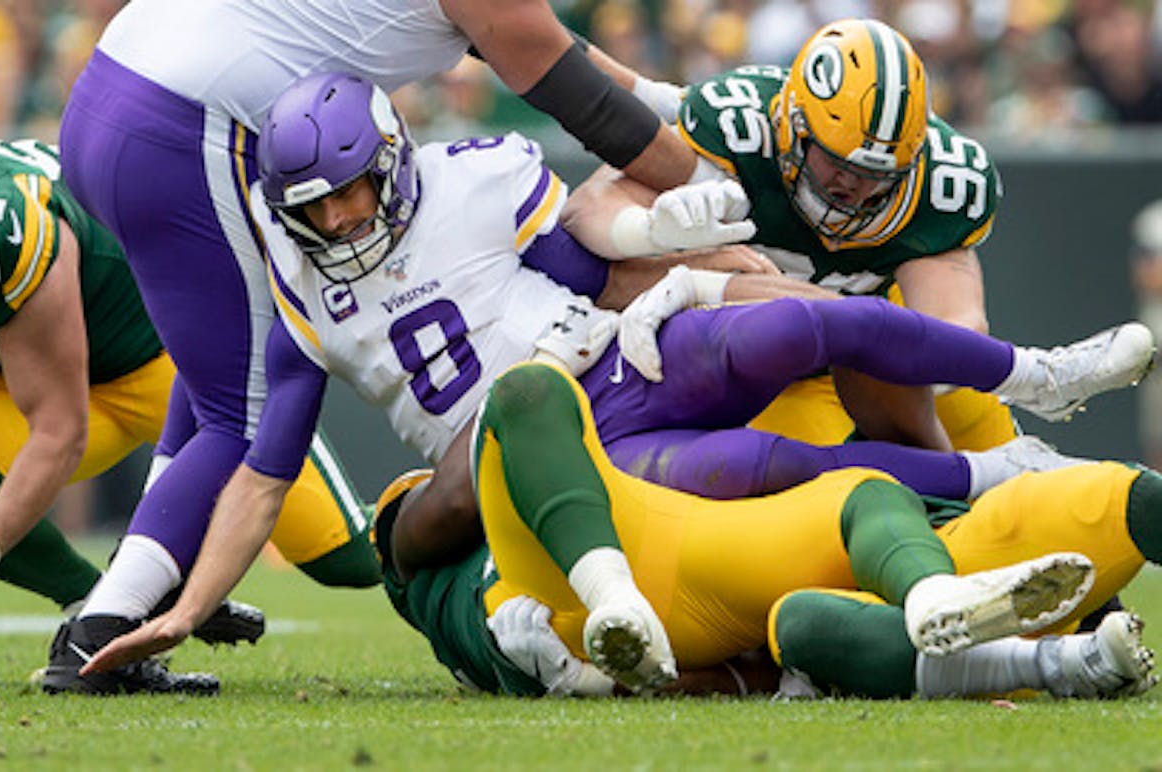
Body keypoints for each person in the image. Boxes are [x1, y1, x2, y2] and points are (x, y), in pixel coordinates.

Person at [71, 71, 1154, 688]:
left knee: (802, 322)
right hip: (562, 454)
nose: (342, 222)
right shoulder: (301, 294)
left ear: (392, 159)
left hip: (620, 359)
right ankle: (974, 505)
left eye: (353, 194)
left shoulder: (474, 181)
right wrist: (185, 606)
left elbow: (594, 251)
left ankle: (1031, 382)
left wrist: (674, 245)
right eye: (319, 208)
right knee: (770, 473)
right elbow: (263, 468)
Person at [46, 0, 703, 687]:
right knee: (241, 415)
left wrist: (666, 99)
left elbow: (531, 38)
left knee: (220, 379)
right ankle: (105, 629)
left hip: (118, 96)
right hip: (188, 120)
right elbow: (570, 88)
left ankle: (144, 585)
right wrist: (705, 176)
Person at [0, 82, 378, 690]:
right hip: (21, 369)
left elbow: (59, 431)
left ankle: (452, 518)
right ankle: (107, 615)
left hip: (167, 360)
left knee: (345, 557)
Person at [376, 361, 1157, 699]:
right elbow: (429, 526)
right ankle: (967, 609)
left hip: (710, 587)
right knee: (864, 494)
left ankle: (1040, 648)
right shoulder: (452, 573)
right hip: (648, 564)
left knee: (812, 621)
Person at [562, 18, 1023, 454]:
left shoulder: (946, 186)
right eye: (838, 162)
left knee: (1008, 474)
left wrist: (937, 364)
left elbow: (955, 325)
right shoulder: (738, 126)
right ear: (794, 126)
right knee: (815, 485)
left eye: (875, 175)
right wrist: (647, 231)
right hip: (767, 373)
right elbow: (587, 210)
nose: (854, 186)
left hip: (873, 365)